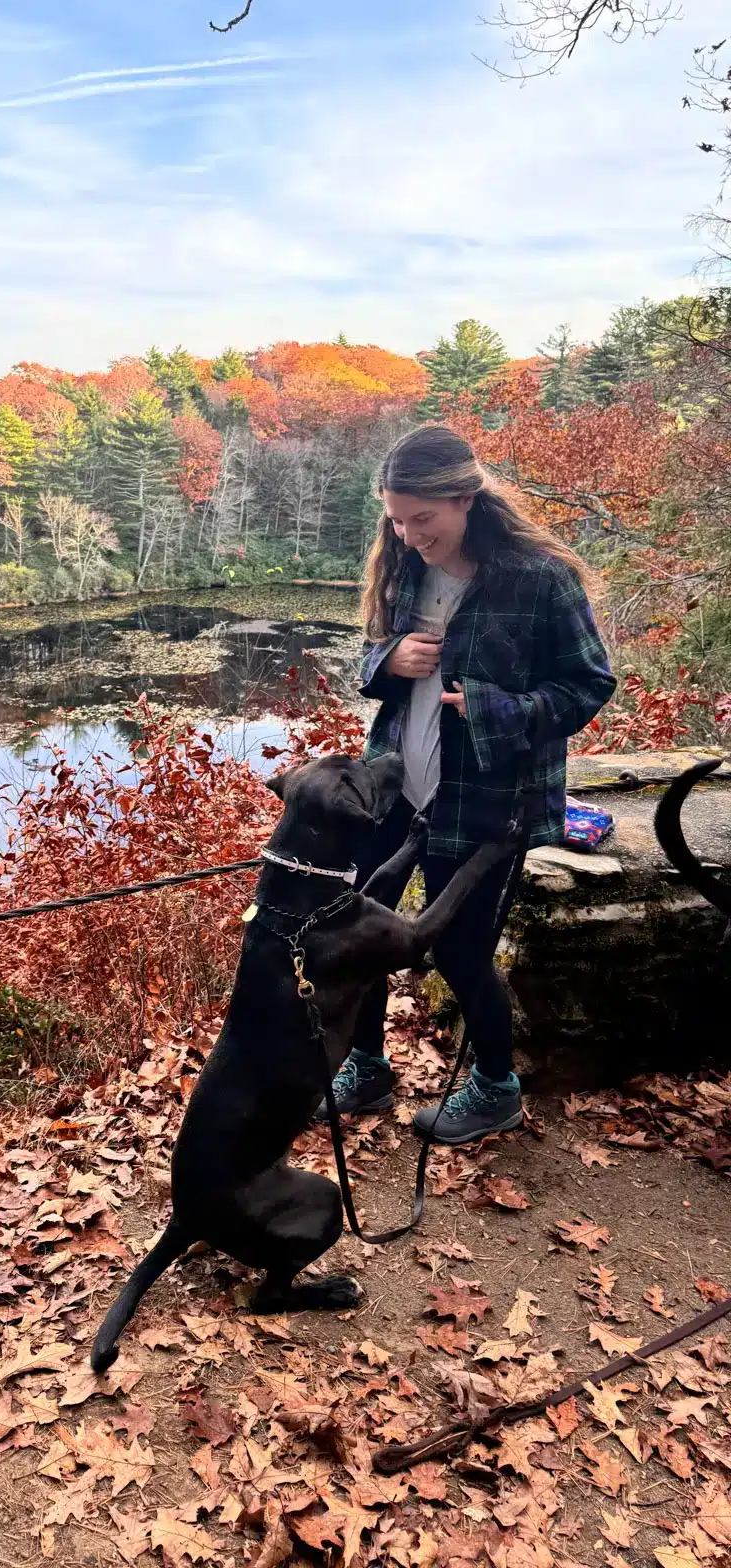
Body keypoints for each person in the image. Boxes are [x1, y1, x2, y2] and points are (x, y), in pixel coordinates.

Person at [330, 424, 615, 1144]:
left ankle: (496, 1087)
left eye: (422, 518)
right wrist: (387, 662)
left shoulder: (539, 577)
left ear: (466, 499)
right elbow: (367, 659)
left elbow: (588, 685)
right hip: (394, 788)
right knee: (356, 929)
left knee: (459, 953)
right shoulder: (400, 565)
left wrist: (497, 707)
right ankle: (363, 1066)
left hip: (487, 803)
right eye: (395, 518)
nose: (407, 533)